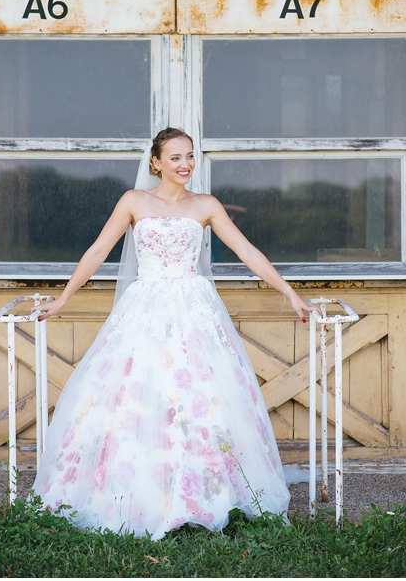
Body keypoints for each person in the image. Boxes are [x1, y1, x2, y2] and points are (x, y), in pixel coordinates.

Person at [32, 127, 318, 540]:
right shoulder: (134, 201)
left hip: (194, 310)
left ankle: (205, 490)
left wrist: (291, 293)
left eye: (190, 156)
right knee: (134, 394)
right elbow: (98, 250)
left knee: (201, 396)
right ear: (156, 162)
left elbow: (247, 251)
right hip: (145, 308)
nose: (185, 165)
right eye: (176, 157)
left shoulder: (205, 205)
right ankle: (134, 488)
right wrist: (62, 300)